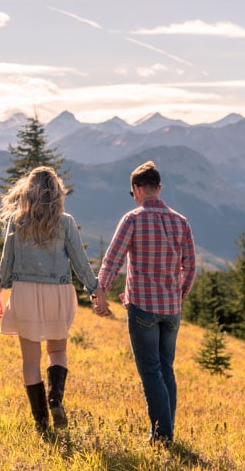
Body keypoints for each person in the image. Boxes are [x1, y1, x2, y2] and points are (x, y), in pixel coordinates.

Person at [93, 160, 196, 445]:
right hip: (172, 310)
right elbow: (191, 267)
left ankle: (163, 436)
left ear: (137, 189)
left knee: (151, 371)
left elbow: (112, 259)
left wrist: (99, 292)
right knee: (166, 369)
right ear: (159, 188)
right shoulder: (181, 222)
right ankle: (164, 432)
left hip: (143, 308)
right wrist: (178, 295)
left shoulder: (132, 219)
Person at [0, 165, 99, 434]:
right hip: (58, 292)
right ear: (57, 194)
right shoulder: (65, 222)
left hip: (25, 293)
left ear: (28, 192)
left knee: (30, 360)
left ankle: (41, 424)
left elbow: (7, 261)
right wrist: (95, 290)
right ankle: (55, 400)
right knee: (57, 351)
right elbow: (80, 262)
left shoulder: (17, 222)